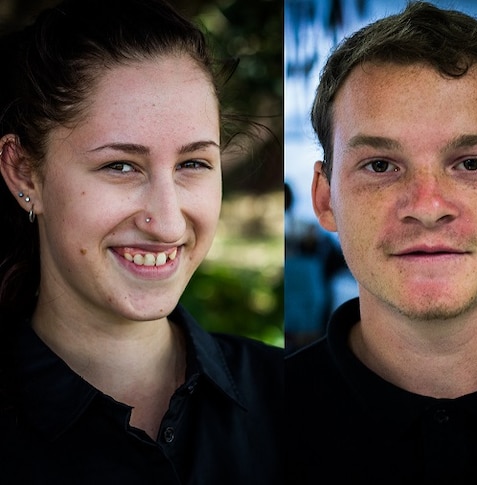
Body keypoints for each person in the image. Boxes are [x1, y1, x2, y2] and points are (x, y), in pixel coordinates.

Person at [285, 2, 477, 483]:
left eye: (471, 163)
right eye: (380, 166)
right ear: (325, 198)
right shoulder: (262, 419)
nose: (428, 205)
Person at [0, 0, 282, 482]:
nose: (169, 224)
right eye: (120, 166)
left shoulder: (290, 394)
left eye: (193, 164)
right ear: (24, 171)